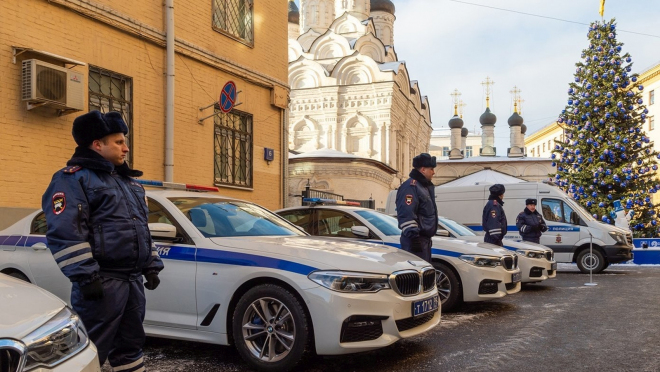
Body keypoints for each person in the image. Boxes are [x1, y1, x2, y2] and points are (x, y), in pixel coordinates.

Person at [42, 111, 164, 372]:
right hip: (101, 283)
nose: (126, 147)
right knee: (88, 352)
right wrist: (85, 276)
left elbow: (141, 228)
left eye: (125, 141)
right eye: (119, 142)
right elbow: (66, 232)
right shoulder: (73, 178)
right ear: (97, 144)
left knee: (131, 347)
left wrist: (151, 264)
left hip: (132, 283)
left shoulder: (130, 184)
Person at [395, 153, 438, 262]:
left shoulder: (423, 187)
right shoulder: (411, 186)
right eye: (431, 169)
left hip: (423, 241)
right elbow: (406, 213)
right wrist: (414, 238)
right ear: (423, 169)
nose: (434, 172)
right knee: (416, 275)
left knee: (424, 275)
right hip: (415, 241)